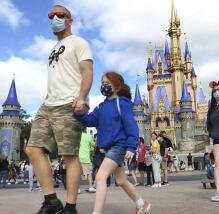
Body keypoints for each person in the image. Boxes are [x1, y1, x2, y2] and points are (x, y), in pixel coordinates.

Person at [25, 4, 94, 214]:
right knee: (33, 149)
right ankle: (51, 200)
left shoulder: (79, 42)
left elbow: (87, 71)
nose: (54, 18)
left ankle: (71, 207)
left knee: (69, 154)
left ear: (69, 20)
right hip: (49, 104)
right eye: (51, 16)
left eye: (59, 15)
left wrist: (82, 97)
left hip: (70, 104)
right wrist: (46, 98)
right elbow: (55, 78)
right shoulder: (52, 50)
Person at [73, 71, 151, 214]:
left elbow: (131, 126)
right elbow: (89, 121)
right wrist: (78, 112)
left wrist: (131, 147)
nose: (104, 86)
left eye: (107, 83)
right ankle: (142, 204)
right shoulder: (101, 107)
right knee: (121, 181)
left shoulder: (122, 103)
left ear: (117, 85)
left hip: (119, 146)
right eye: (102, 83)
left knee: (100, 177)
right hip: (107, 149)